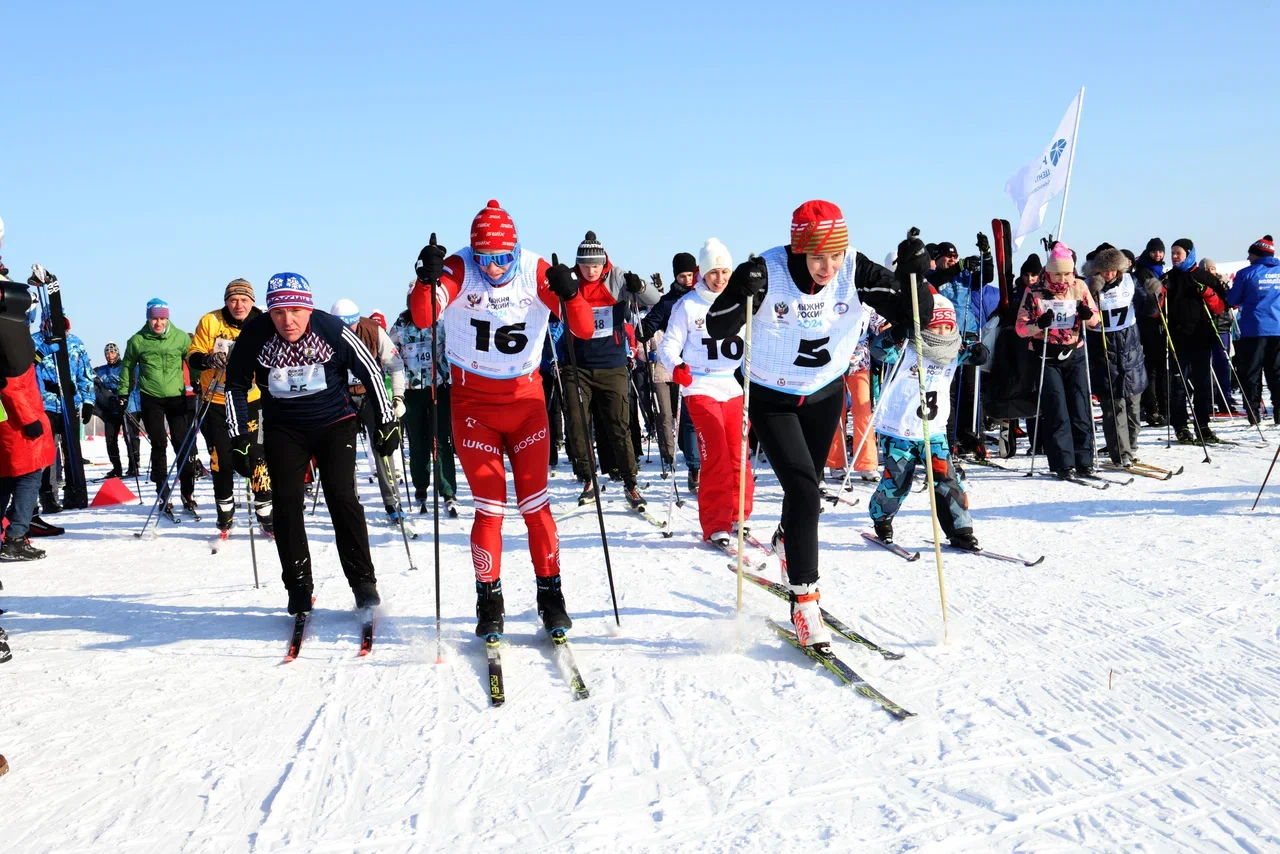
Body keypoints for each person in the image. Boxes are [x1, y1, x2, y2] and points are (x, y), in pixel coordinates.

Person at [706, 202, 933, 649]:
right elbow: (717, 328)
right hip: (772, 395)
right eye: (817, 257)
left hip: (825, 391)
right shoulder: (767, 271)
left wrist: (915, 279)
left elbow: (915, 317)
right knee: (807, 490)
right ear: (797, 249)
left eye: (834, 255)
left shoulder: (855, 267)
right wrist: (740, 292)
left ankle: (788, 540)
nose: (828, 267)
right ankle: (805, 601)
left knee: (802, 492)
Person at [410, 200, 594, 639]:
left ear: (516, 250)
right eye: (486, 258)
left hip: (526, 403)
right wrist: (424, 279)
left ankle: (552, 598)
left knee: (535, 507)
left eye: (503, 258)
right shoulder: (459, 267)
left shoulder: (534, 269)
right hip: (473, 406)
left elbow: (583, 328)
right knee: (490, 510)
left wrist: (571, 293)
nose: (493, 268)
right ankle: (488, 601)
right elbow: (422, 315)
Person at [223, 274, 393, 616]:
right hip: (285, 428)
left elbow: (372, 371)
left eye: (297, 310)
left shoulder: (331, 329)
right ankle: (299, 586)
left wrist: (387, 419)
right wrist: (238, 437)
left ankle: (363, 583)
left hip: (335, 423)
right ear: (268, 312)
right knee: (285, 504)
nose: (289, 321)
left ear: (309, 307)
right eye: (279, 312)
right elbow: (234, 386)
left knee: (342, 498)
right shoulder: (254, 335)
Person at [869, 294, 986, 548]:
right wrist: (896, 333)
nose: (942, 331)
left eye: (947, 326)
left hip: (933, 430)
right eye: (936, 326)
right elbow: (879, 350)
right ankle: (882, 517)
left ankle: (960, 529)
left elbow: (977, 356)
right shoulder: (907, 346)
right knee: (897, 481)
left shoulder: (954, 348)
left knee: (947, 480)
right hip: (899, 428)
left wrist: (979, 352)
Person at [656, 238, 753, 545]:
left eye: (725, 272)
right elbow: (669, 345)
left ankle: (739, 515)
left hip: (731, 385)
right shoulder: (689, 305)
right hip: (698, 385)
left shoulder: (742, 302)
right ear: (702, 272)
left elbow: (759, 340)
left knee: (740, 455)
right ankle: (715, 523)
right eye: (714, 272)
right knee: (717, 456)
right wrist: (677, 367)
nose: (720, 278)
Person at [561, 230, 662, 509]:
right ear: (577, 264)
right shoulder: (570, 281)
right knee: (578, 423)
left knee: (620, 425)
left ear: (603, 261)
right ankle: (588, 479)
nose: (591, 271)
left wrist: (639, 286)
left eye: (595, 265)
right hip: (576, 366)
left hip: (612, 365)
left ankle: (630, 482)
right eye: (585, 265)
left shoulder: (616, 277)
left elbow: (654, 300)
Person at [187, 278, 274, 534]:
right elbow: (193, 356)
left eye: (244, 300)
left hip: (251, 399)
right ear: (226, 301)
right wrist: (209, 358)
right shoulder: (210, 321)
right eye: (233, 300)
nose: (239, 305)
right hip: (216, 399)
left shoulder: (262, 323)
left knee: (256, 456)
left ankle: (266, 514)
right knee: (221, 458)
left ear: (252, 302)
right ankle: (225, 513)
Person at [1015, 243, 1101, 478]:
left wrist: (1088, 316)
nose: (1063, 278)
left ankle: (1085, 460)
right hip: (1047, 356)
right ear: (1048, 271)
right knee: (1057, 409)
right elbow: (1020, 328)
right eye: (1058, 273)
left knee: (1081, 407)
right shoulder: (1035, 291)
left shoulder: (1079, 286)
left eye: (1067, 272)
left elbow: (1096, 320)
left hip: (1075, 352)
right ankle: (1064, 463)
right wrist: (1039, 324)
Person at [330, 299, 407, 523]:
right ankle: (348, 504)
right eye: (342, 327)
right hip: (342, 396)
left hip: (371, 394)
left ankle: (392, 501)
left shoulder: (374, 331)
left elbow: (395, 364)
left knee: (382, 446)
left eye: (352, 326)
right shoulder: (327, 333)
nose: (348, 331)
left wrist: (398, 396)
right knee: (343, 451)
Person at [119, 298, 196, 515]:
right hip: (151, 397)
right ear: (148, 318)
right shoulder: (137, 340)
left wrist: (198, 380)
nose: (158, 323)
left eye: (162, 318)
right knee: (159, 444)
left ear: (167, 317)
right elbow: (126, 368)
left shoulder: (180, 337)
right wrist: (123, 393)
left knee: (183, 444)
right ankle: (163, 492)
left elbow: (193, 361)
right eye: (154, 318)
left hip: (177, 397)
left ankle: (187, 492)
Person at [389, 293, 459, 516]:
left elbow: (453, 351)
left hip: (437, 388)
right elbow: (390, 358)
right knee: (418, 442)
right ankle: (420, 486)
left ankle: (447, 490)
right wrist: (394, 390)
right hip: (412, 391)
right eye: (415, 302)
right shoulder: (400, 325)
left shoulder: (439, 323)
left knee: (440, 439)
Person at [0, 274, 55, 561]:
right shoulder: (10, 333)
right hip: (18, 421)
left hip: (12, 418)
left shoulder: (10, 331)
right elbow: (11, 383)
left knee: (7, 477)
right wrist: (28, 419)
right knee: (28, 474)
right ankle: (16, 536)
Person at [927, 236, 997, 458]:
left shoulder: (965, 276)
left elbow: (987, 275)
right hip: (946, 338)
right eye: (948, 257)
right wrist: (959, 266)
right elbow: (939, 279)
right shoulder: (932, 276)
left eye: (955, 256)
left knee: (969, 389)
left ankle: (970, 436)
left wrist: (986, 253)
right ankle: (948, 437)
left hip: (968, 334)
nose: (952, 260)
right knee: (949, 390)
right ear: (937, 259)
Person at [640, 253, 702, 489]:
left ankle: (698, 457)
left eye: (690, 275)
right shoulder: (668, 302)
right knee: (684, 418)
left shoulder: (703, 296)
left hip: (703, 363)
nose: (687, 280)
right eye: (682, 275)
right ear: (675, 276)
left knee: (697, 416)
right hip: (677, 363)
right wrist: (643, 328)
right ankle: (693, 465)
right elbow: (652, 320)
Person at [1084, 247, 1148, 468]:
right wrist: (1092, 293)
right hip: (1103, 349)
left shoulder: (1130, 281)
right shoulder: (1089, 286)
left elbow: (1148, 308)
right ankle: (1121, 454)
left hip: (1130, 348)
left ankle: (1131, 448)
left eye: (1112, 270)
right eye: (1104, 271)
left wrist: (1154, 293)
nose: (1108, 274)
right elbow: (1081, 313)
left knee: (1133, 404)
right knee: (1114, 406)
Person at [1163, 239, 1228, 444]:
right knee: (1178, 383)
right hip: (1177, 338)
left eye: (1178, 253)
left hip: (1201, 336)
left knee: (1202, 383)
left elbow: (1220, 307)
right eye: (1172, 253)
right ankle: (1180, 425)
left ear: (1189, 253)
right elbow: (1157, 312)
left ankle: (1203, 425)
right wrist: (1158, 295)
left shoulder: (1204, 277)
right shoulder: (1168, 278)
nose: (1174, 256)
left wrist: (1207, 292)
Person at [32, 314, 94, 514]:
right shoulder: (35, 342)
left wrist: (88, 401)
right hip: (45, 406)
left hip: (70, 404)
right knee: (47, 454)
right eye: (51, 322)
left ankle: (74, 493)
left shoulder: (75, 343)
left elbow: (86, 374)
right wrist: (46, 388)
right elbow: (29, 372)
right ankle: (48, 496)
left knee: (72, 451)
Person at [1228, 236, 1280, 425]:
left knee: (1251, 373)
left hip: (1254, 330)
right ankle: (1279, 413)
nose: (1248, 257)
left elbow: (1232, 299)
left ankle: (1253, 412)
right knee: (1276, 372)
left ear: (1258, 254)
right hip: (1278, 329)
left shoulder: (1246, 273)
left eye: (1250, 254)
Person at [1133, 238, 1170, 427]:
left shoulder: (1161, 271)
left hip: (1161, 322)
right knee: (1152, 367)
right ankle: (1153, 408)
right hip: (1148, 323)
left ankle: (1164, 407)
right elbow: (1144, 299)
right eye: (1154, 251)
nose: (1158, 255)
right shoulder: (1143, 271)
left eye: (1160, 252)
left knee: (1161, 367)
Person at [93, 343, 141, 478]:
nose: (110, 355)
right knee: (110, 439)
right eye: (107, 353)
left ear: (117, 353)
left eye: (112, 353)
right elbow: (95, 385)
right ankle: (116, 467)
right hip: (111, 410)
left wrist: (122, 397)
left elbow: (132, 383)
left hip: (128, 407)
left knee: (130, 437)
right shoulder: (100, 371)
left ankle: (134, 466)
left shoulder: (126, 367)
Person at [1198, 259, 1238, 414]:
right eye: (1207, 269)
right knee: (1205, 368)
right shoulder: (1198, 284)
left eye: (1212, 268)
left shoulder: (1222, 282)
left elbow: (1231, 303)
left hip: (1221, 327)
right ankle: (1207, 401)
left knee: (1223, 365)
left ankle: (1225, 401)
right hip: (1203, 329)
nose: (1210, 272)